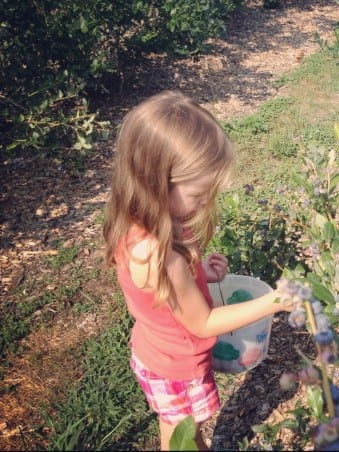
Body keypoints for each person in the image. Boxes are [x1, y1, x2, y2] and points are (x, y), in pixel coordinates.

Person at [103, 90, 292, 450]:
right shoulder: (159, 256)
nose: (206, 202)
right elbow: (202, 322)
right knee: (183, 439)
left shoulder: (141, 223)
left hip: (157, 351)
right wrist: (274, 301)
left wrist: (200, 272)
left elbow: (164, 295)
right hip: (177, 366)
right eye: (200, 193)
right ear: (158, 183)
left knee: (179, 431)